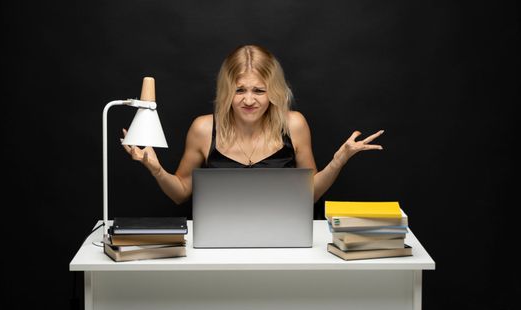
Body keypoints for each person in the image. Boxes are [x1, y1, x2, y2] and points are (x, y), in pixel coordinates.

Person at [122, 44, 383, 205]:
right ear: (226, 91)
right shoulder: (203, 129)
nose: (249, 100)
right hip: (217, 248)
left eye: (259, 90)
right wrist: (156, 170)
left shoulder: (294, 124)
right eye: (239, 90)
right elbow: (180, 193)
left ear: (274, 91)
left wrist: (339, 160)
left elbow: (309, 196)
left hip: (285, 243)